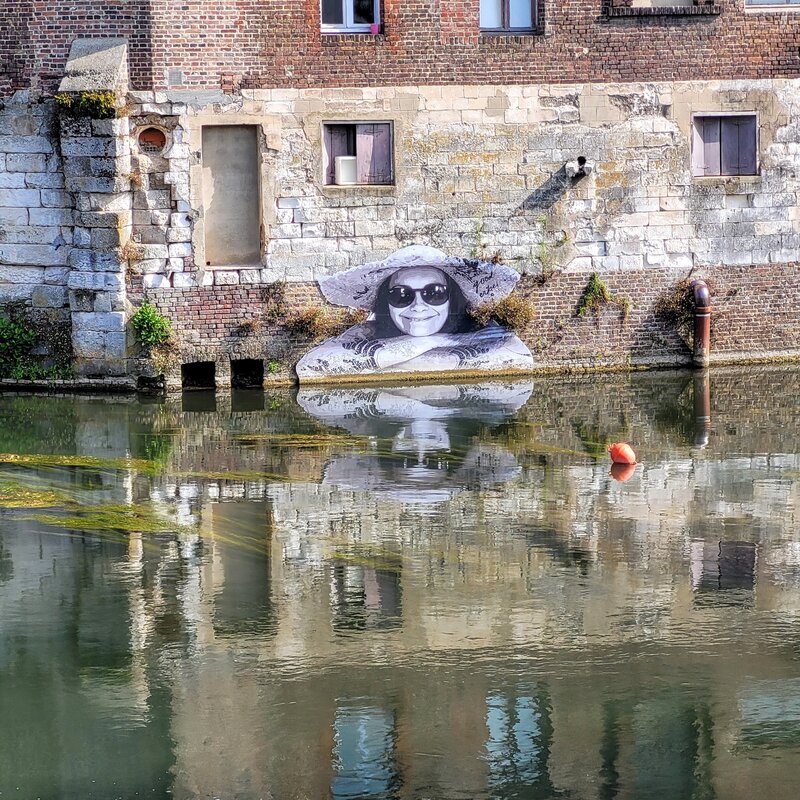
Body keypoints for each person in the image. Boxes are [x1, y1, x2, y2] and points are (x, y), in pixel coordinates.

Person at [295, 245, 534, 381]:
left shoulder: (485, 334)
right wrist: (433, 342)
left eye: (434, 293)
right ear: (385, 304)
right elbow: (310, 367)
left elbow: (519, 361)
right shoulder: (365, 333)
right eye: (401, 295)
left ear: (452, 299)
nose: (418, 306)